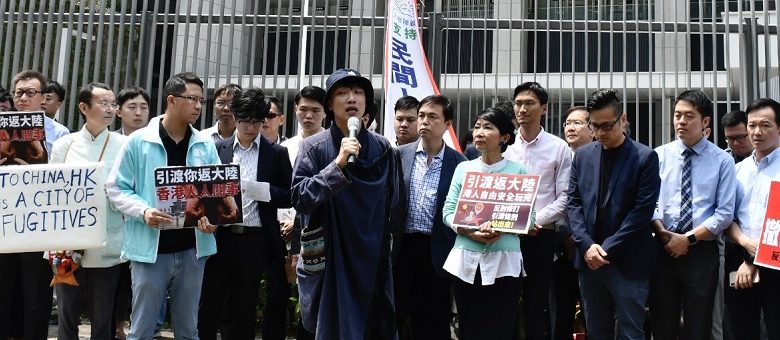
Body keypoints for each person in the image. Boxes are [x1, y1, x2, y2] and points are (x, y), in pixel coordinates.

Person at [106, 72, 220, 340]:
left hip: (193, 248)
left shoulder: (204, 143)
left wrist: (212, 217)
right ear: (171, 99)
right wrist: (143, 211)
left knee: (188, 329)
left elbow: (216, 190)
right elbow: (116, 187)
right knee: (142, 328)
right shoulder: (139, 141)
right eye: (191, 99)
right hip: (150, 250)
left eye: (201, 100)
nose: (197, 106)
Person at [292, 68, 402, 340]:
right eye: (342, 93)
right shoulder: (314, 148)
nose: (351, 98)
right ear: (330, 104)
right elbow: (299, 199)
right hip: (331, 253)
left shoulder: (383, 148)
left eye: (358, 92)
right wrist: (338, 164)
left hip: (371, 253)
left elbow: (395, 203)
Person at [198, 87, 293, 340]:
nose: (250, 128)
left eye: (256, 122)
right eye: (244, 121)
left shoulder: (276, 154)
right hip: (220, 236)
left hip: (255, 238)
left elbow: (290, 193)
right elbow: (204, 190)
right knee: (210, 301)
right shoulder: (218, 149)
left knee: (244, 306)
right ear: (235, 118)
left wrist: (263, 191)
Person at [567, 89, 661, 340]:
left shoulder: (645, 157)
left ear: (623, 119)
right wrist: (587, 245)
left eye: (607, 126)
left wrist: (605, 249)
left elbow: (641, 212)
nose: (600, 133)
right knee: (597, 330)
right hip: (589, 261)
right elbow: (574, 204)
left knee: (631, 331)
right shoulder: (583, 155)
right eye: (594, 126)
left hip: (627, 260)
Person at [648, 90, 736, 340]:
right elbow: (649, 201)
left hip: (701, 252)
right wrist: (663, 233)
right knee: (662, 322)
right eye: (677, 115)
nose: (681, 122)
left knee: (699, 325)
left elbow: (724, 213)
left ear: (705, 121)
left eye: (689, 116)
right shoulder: (658, 155)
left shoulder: (722, 161)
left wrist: (687, 239)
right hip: (662, 247)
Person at [50, 82, 129, 340]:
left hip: (108, 239)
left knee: (102, 316)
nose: (110, 109)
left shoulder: (124, 144)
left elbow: (130, 188)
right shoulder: (65, 144)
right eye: (103, 103)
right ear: (84, 107)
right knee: (67, 315)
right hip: (67, 244)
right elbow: (50, 191)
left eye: (113, 104)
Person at [442, 107, 525, 340]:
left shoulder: (519, 172)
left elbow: (531, 217)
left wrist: (500, 226)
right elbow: (448, 212)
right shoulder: (463, 169)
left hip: (505, 262)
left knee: (501, 326)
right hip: (466, 260)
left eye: (488, 127)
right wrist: (470, 232)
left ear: (505, 138)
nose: (479, 132)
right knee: (468, 326)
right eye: (477, 126)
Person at [0, 70, 69, 340]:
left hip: (38, 226)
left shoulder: (60, 134)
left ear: (44, 98)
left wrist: (38, 169)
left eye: (31, 93)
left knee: (35, 296)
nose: (24, 98)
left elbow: (65, 179)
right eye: (19, 92)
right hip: (5, 222)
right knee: (4, 292)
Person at [503, 81, 572, 340]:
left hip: (540, 236)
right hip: (504, 235)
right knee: (505, 304)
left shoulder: (558, 147)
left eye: (529, 103)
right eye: (518, 103)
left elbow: (564, 197)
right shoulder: (505, 145)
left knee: (536, 306)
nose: (522, 109)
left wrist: (532, 221)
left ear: (544, 108)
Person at [394, 95, 466, 340]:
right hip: (402, 247)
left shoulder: (460, 163)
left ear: (447, 124)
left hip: (439, 250)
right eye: (422, 115)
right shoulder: (399, 155)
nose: (424, 121)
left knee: (433, 320)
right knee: (396, 316)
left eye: (432, 116)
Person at [725, 98, 780, 340]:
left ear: (779, 128)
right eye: (752, 125)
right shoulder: (737, 171)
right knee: (741, 328)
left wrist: (753, 260)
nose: (757, 132)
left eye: (766, 125)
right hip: (739, 259)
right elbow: (727, 217)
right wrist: (746, 247)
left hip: (775, 262)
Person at [552, 106, 590, 340]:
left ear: (593, 129)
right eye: (567, 123)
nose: (570, 127)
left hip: (590, 249)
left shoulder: (599, 159)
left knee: (593, 316)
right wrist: (564, 235)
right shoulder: (558, 156)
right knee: (559, 316)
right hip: (559, 250)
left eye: (577, 123)